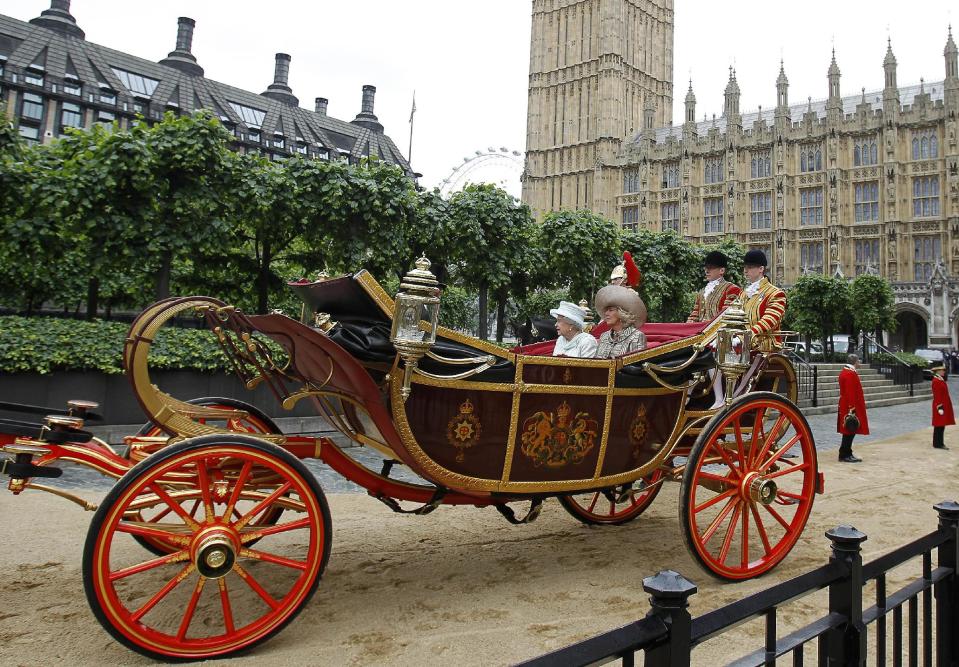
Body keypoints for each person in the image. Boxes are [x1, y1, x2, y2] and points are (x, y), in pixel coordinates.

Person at [741, 249, 787, 350]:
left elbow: (770, 319)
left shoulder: (775, 293)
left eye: (749, 267)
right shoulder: (744, 294)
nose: (745, 271)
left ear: (761, 269)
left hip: (766, 347)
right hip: (743, 344)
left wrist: (749, 334)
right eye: (744, 267)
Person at [687, 251, 741, 323]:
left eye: (711, 268)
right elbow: (694, 316)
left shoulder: (732, 289)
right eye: (706, 268)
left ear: (722, 270)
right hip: (700, 331)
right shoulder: (702, 292)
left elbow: (726, 317)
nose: (707, 271)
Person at [594, 285, 647, 358]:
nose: (606, 313)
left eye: (610, 310)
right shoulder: (604, 336)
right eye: (606, 310)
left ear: (622, 313)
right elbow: (595, 362)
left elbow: (636, 366)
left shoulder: (636, 336)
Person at [837, 354, 869, 463]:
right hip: (849, 406)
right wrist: (852, 410)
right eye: (859, 361)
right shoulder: (850, 374)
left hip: (846, 404)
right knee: (849, 430)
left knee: (849, 430)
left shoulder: (846, 371)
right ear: (855, 361)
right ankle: (845, 454)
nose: (859, 363)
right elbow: (850, 393)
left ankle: (846, 452)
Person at [931, 364, 954, 450]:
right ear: (938, 371)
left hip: (943, 404)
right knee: (939, 425)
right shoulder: (936, 381)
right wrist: (939, 407)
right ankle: (938, 444)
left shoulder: (940, 379)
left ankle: (938, 443)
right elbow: (937, 395)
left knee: (941, 425)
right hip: (939, 406)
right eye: (942, 370)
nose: (944, 372)